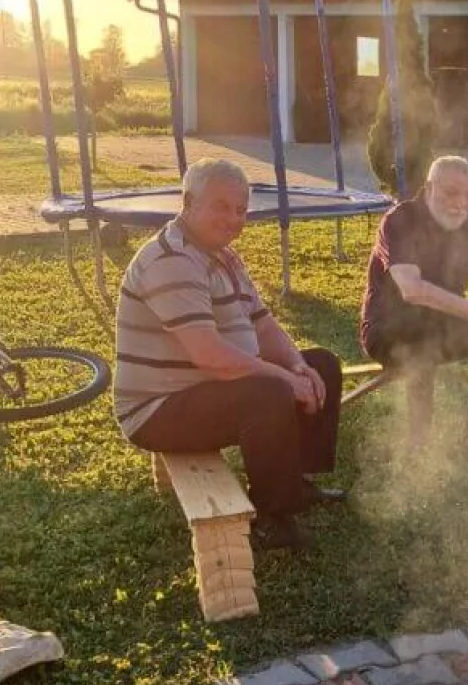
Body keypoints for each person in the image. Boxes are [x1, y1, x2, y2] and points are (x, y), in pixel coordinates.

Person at [114, 158, 344, 550]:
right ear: (188, 202)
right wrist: (284, 380)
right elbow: (210, 356)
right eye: (221, 206)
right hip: (158, 408)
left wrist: (296, 365)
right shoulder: (172, 259)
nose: (234, 218)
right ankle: (272, 517)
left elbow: (262, 323)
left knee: (321, 363)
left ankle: (295, 484)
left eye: (241, 209)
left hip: (202, 388)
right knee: (268, 395)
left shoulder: (223, 256)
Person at [360, 155, 468, 438]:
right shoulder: (402, 220)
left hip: (444, 326)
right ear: (430, 189)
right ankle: (420, 440)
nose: (461, 203)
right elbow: (412, 290)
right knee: (421, 341)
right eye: (451, 193)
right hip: (388, 332)